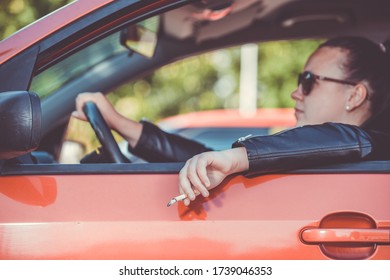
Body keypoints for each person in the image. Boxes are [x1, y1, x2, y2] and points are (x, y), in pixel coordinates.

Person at [73, 36, 390, 206]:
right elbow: (204, 155)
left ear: (355, 96)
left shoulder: (376, 146)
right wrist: (120, 123)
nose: (295, 93)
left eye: (309, 80)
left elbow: (351, 139)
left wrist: (237, 156)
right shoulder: (311, 157)